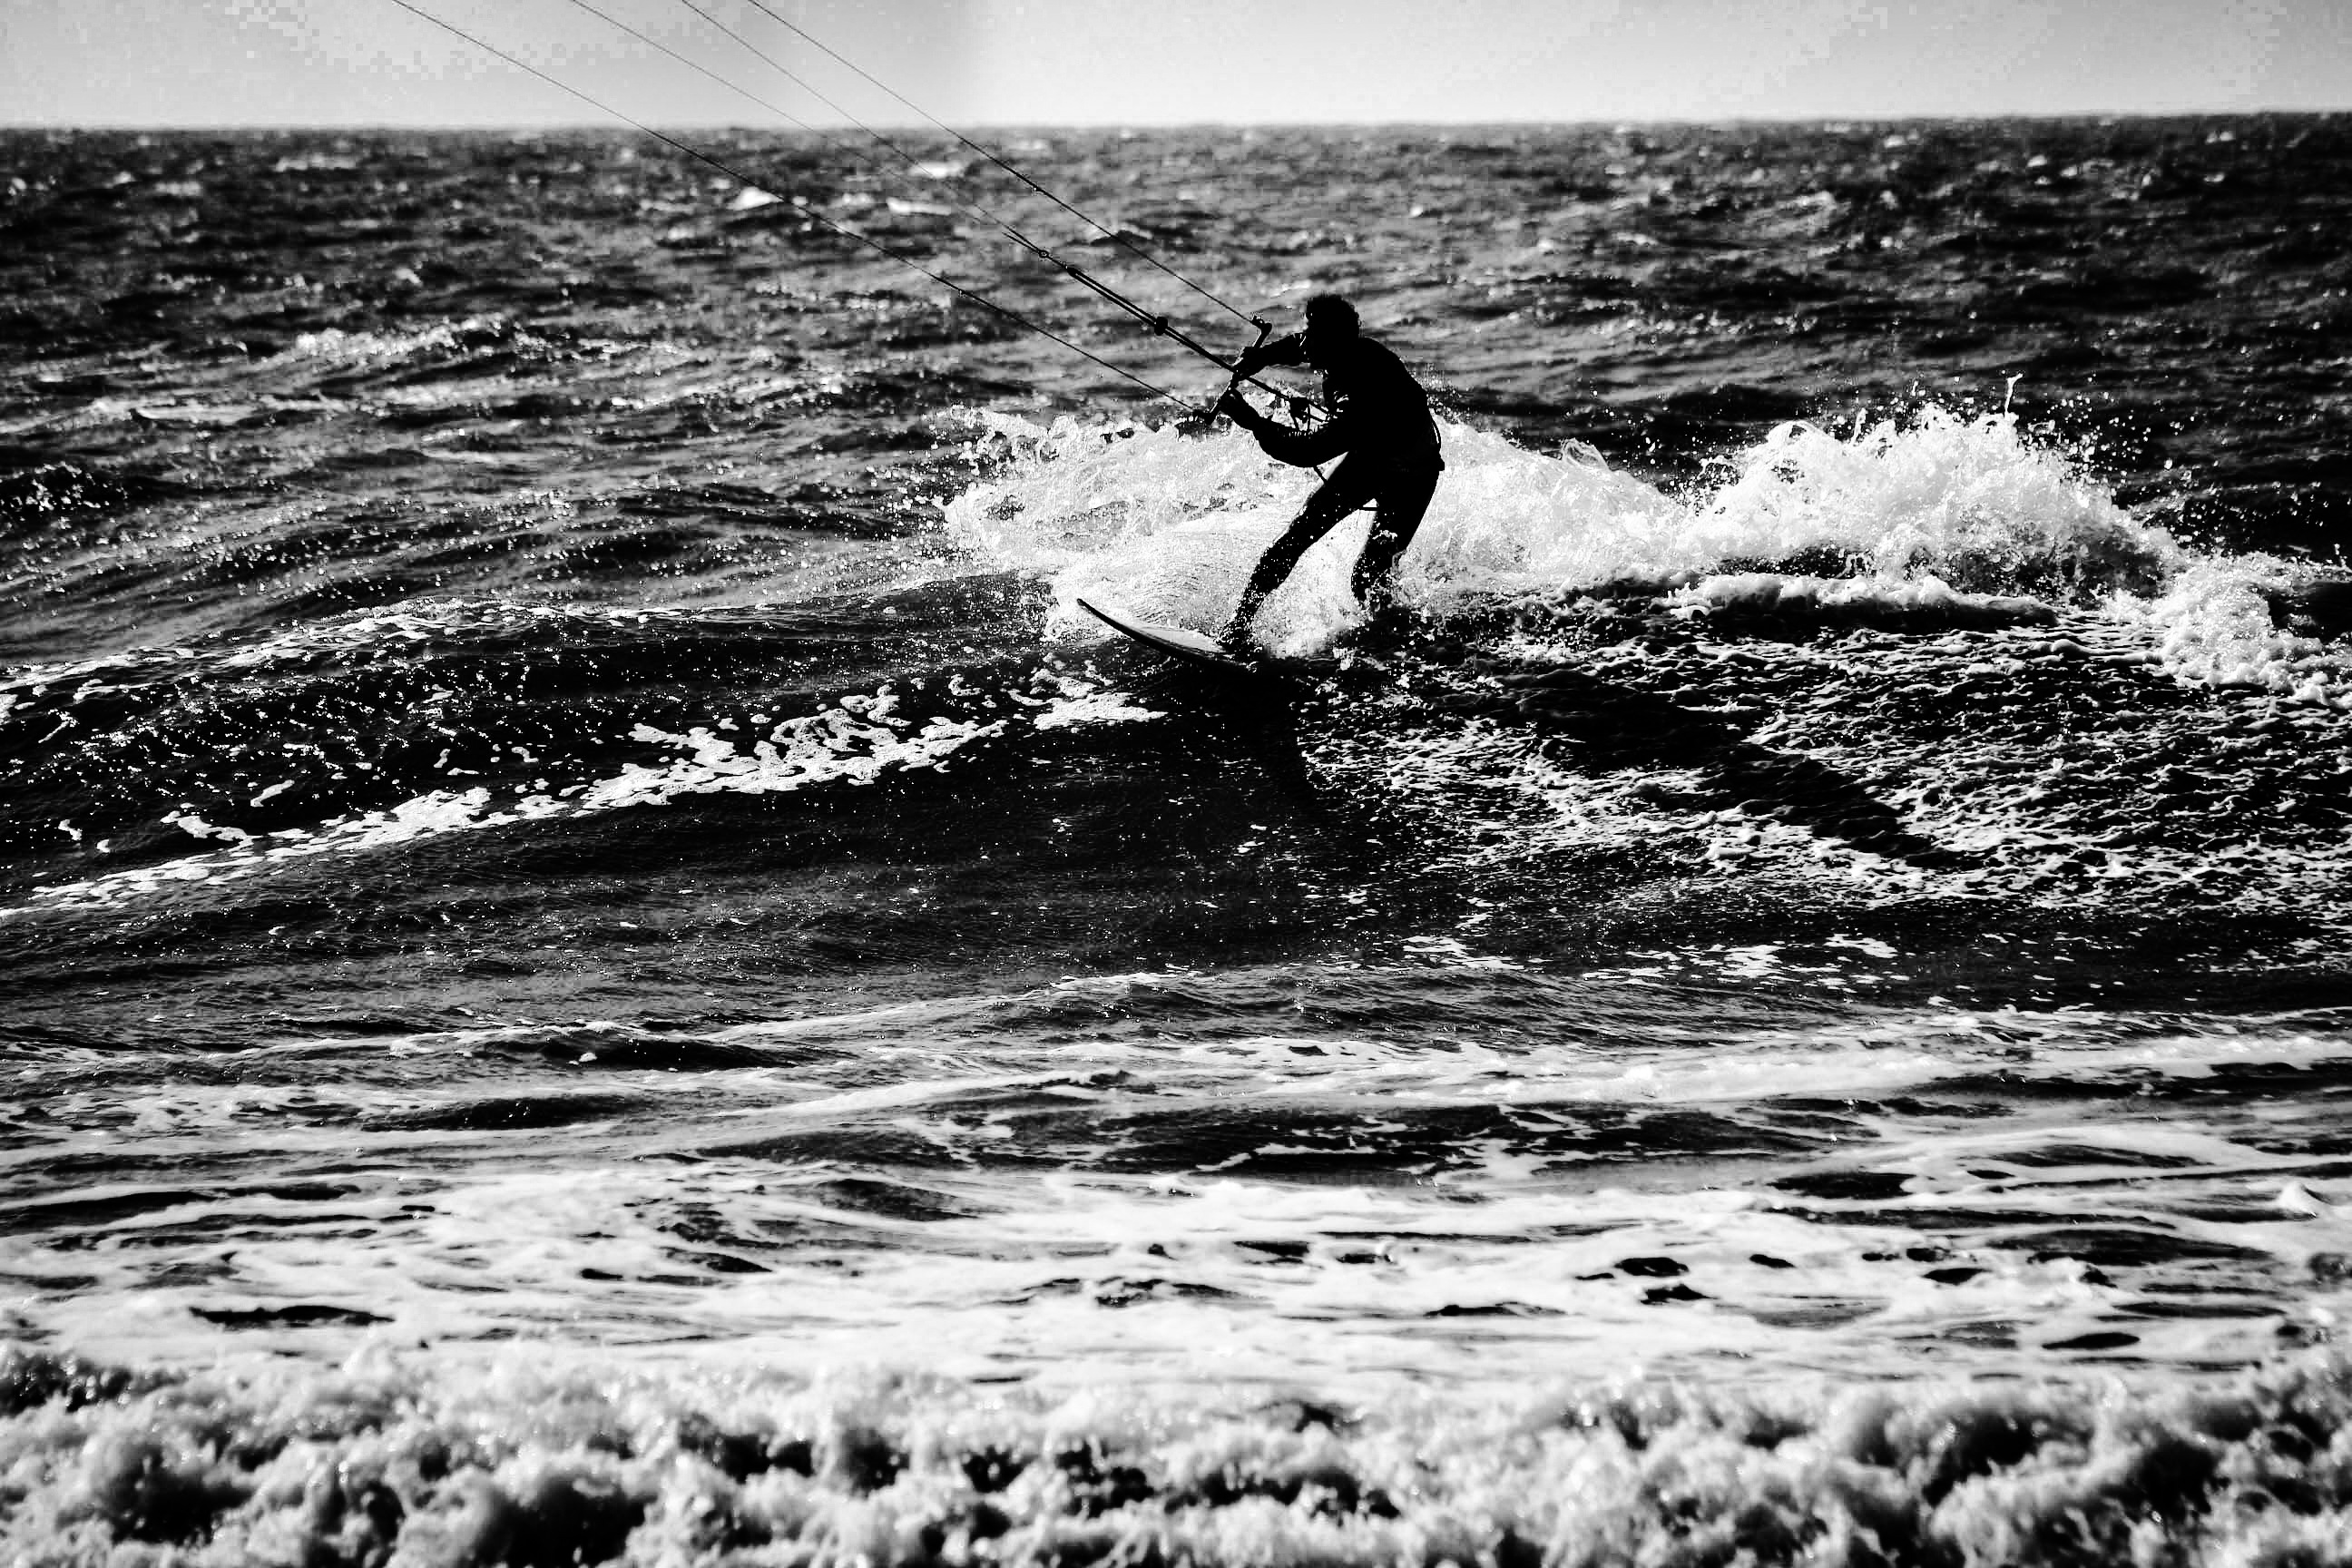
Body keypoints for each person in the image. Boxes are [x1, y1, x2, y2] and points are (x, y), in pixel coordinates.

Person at [1214, 294, 1445, 652]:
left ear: (1332, 342)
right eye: (1306, 332)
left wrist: (1255, 423)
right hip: (1394, 459)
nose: (1303, 342)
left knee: (1350, 569)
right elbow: (1300, 345)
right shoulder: (1347, 349)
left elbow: (1311, 451)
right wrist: (1262, 356)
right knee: (1328, 557)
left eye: (1311, 335)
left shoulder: (1355, 391)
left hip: (1407, 474)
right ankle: (1239, 628)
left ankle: (1389, 645)